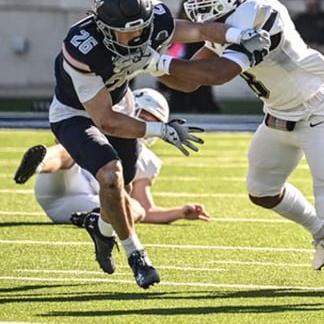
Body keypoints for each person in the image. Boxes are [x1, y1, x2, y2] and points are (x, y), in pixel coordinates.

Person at [127, 0, 324, 296]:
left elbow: (219, 73)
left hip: (319, 114)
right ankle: (320, 231)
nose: (198, 0)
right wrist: (149, 61)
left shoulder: (261, 12)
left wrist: (154, 63)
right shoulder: (223, 24)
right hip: (277, 116)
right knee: (262, 191)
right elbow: (190, 79)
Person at [49, 0, 260, 288]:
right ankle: (137, 255)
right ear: (104, 28)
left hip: (120, 103)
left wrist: (241, 34)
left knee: (122, 192)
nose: (137, 35)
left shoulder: (155, 19)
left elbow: (199, 29)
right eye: (127, 31)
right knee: (110, 176)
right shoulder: (83, 47)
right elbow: (104, 120)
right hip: (76, 114)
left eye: (141, 27)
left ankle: (101, 228)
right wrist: (160, 130)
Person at [14, 88, 210, 225]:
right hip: (61, 184)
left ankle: (95, 221)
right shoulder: (103, 128)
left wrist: (180, 212)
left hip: (88, 204)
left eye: (153, 123)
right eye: (141, 117)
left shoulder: (147, 160)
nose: (143, 126)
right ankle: (39, 163)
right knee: (69, 151)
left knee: (135, 209)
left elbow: (147, 210)